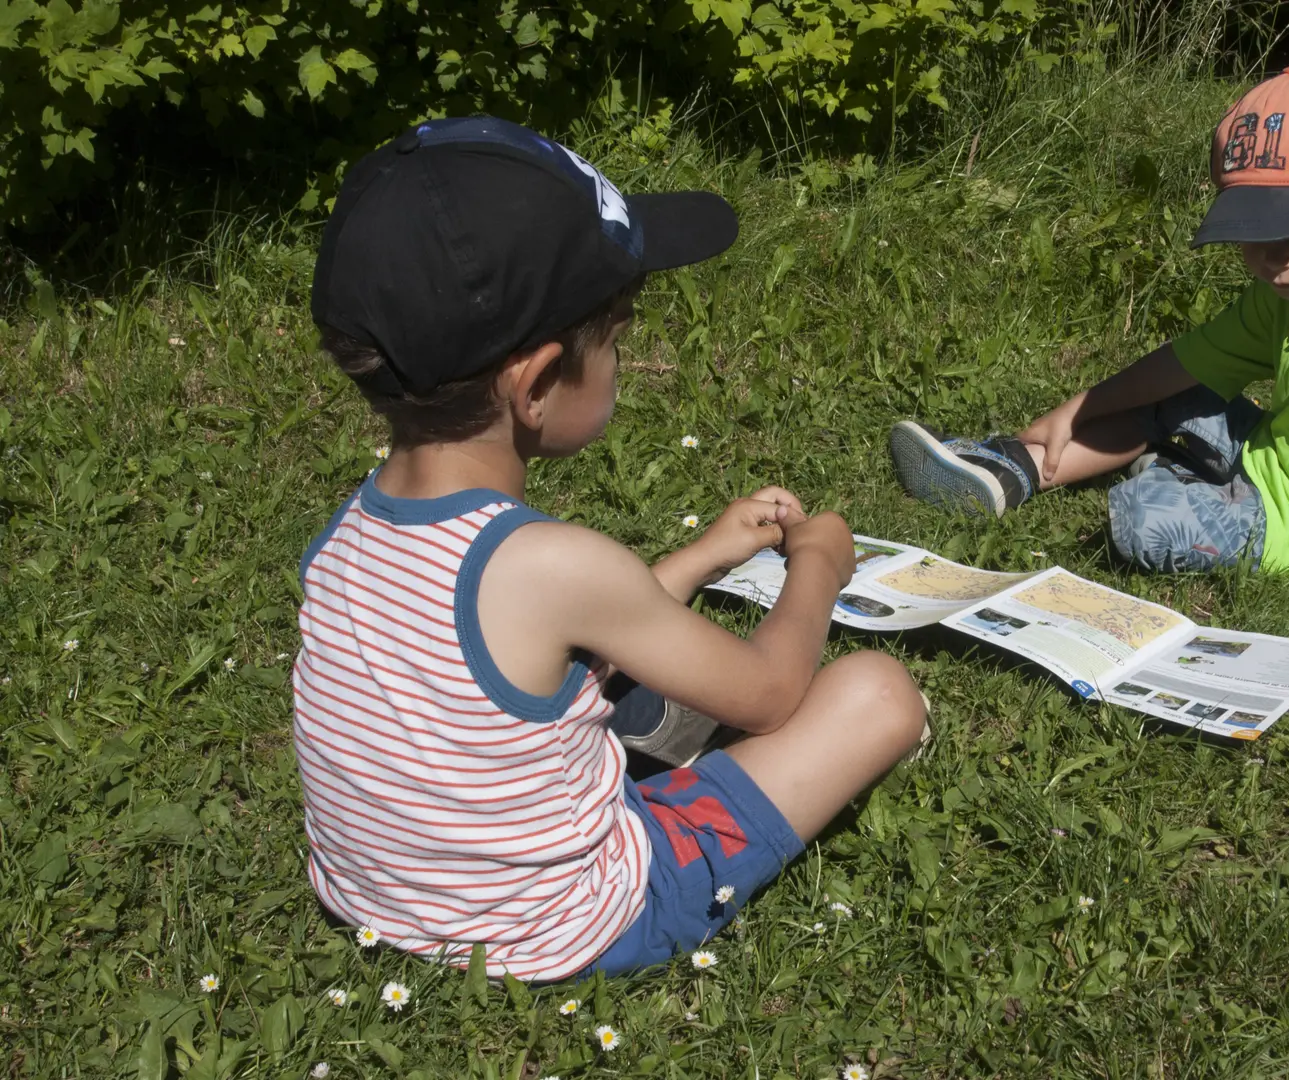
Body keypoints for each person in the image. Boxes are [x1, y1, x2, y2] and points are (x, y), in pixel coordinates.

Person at [295, 117, 927, 982]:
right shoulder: (554, 564)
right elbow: (772, 694)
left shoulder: (346, 537)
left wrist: (705, 556)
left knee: (626, 698)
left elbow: (551, 637)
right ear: (538, 383)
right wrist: (818, 562)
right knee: (877, 695)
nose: (626, 358)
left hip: (385, 902)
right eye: (619, 339)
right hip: (574, 924)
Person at [889, 68, 1289, 665]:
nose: (1270, 257)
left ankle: (1165, 465)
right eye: (1252, 233)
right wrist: (1076, 409)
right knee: (1169, 394)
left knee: (1142, 525)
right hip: (1269, 454)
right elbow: (1189, 362)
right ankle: (1014, 469)